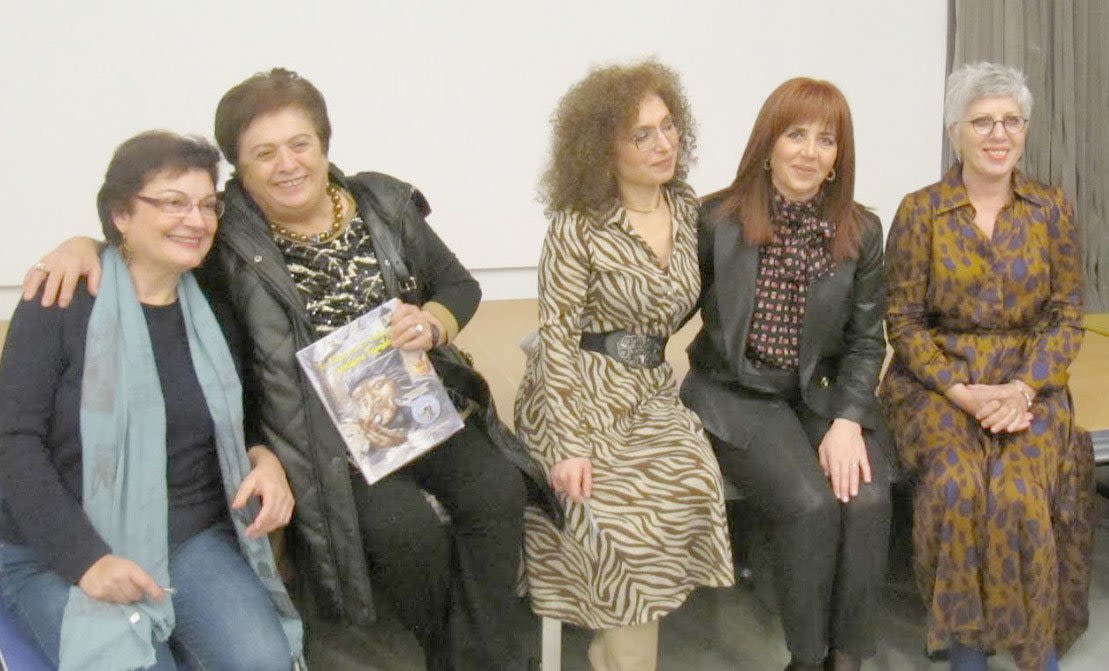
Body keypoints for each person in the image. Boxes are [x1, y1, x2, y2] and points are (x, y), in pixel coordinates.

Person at [24, 69, 560, 671]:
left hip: (417, 406)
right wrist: (84, 245)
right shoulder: (224, 236)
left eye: (299, 144)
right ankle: (441, 652)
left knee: (496, 491)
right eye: (264, 153)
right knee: (403, 530)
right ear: (239, 170)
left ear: (324, 145)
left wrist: (434, 323)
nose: (287, 164)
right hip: (318, 437)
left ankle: (479, 659)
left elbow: (458, 285)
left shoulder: (383, 202)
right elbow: (154, 240)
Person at [0, 131, 303, 670]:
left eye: (207, 204)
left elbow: (243, 419)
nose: (196, 220)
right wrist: (86, 561)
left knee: (263, 662)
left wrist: (265, 459)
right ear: (121, 214)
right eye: (173, 202)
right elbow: (13, 441)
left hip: (188, 536)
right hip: (57, 548)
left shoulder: (214, 309)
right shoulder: (59, 299)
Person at [515, 60, 734, 671]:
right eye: (642, 134)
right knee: (615, 522)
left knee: (684, 490)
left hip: (650, 394)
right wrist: (567, 446)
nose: (664, 144)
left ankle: (613, 655)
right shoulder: (575, 226)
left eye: (668, 126)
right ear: (601, 148)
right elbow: (557, 339)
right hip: (576, 393)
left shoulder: (687, 209)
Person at [879, 62, 1094, 671]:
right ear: (955, 133)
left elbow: (1066, 316)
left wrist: (1024, 388)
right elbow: (904, 321)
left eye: (1011, 121)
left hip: (1031, 383)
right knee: (956, 486)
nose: (999, 134)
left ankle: (1035, 651)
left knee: (1019, 491)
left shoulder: (1051, 209)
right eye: (982, 122)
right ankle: (967, 652)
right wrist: (960, 390)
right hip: (936, 385)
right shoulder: (920, 212)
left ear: (1024, 130)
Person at [679, 78, 892, 671]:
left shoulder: (861, 230)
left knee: (869, 498)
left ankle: (846, 660)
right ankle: (806, 657)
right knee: (810, 503)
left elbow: (866, 340)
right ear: (768, 143)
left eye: (826, 140)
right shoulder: (715, 218)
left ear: (838, 157)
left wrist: (848, 420)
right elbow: (664, 306)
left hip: (820, 393)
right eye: (796, 134)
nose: (809, 152)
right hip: (733, 392)